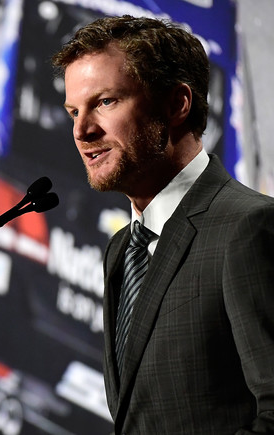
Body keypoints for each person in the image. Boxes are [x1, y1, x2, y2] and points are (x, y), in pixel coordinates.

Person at [51, 15, 274, 434]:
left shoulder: (249, 227)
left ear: (176, 105)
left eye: (105, 102)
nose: (81, 130)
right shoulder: (122, 249)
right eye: (74, 111)